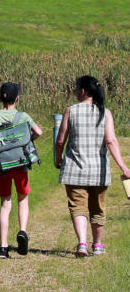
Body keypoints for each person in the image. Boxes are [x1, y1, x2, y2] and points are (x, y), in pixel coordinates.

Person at [54, 74, 130, 257]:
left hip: (74, 169)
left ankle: (81, 243)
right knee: (97, 208)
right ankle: (97, 245)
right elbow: (111, 141)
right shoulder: (106, 112)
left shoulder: (71, 110)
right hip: (99, 171)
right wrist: (123, 166)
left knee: (77, 207)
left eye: (75, 88)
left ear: (82, 91)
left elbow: (60, 140)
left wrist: (58, 158)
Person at [0, 82, 43, 258]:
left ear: (0, 98)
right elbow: (39, 132)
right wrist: (29, 141)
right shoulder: (23, 116)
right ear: (17, 99)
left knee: (5, 204)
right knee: (23, 199)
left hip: (2, 167)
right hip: (20, 164)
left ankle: (3, 248)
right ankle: (22, 231)